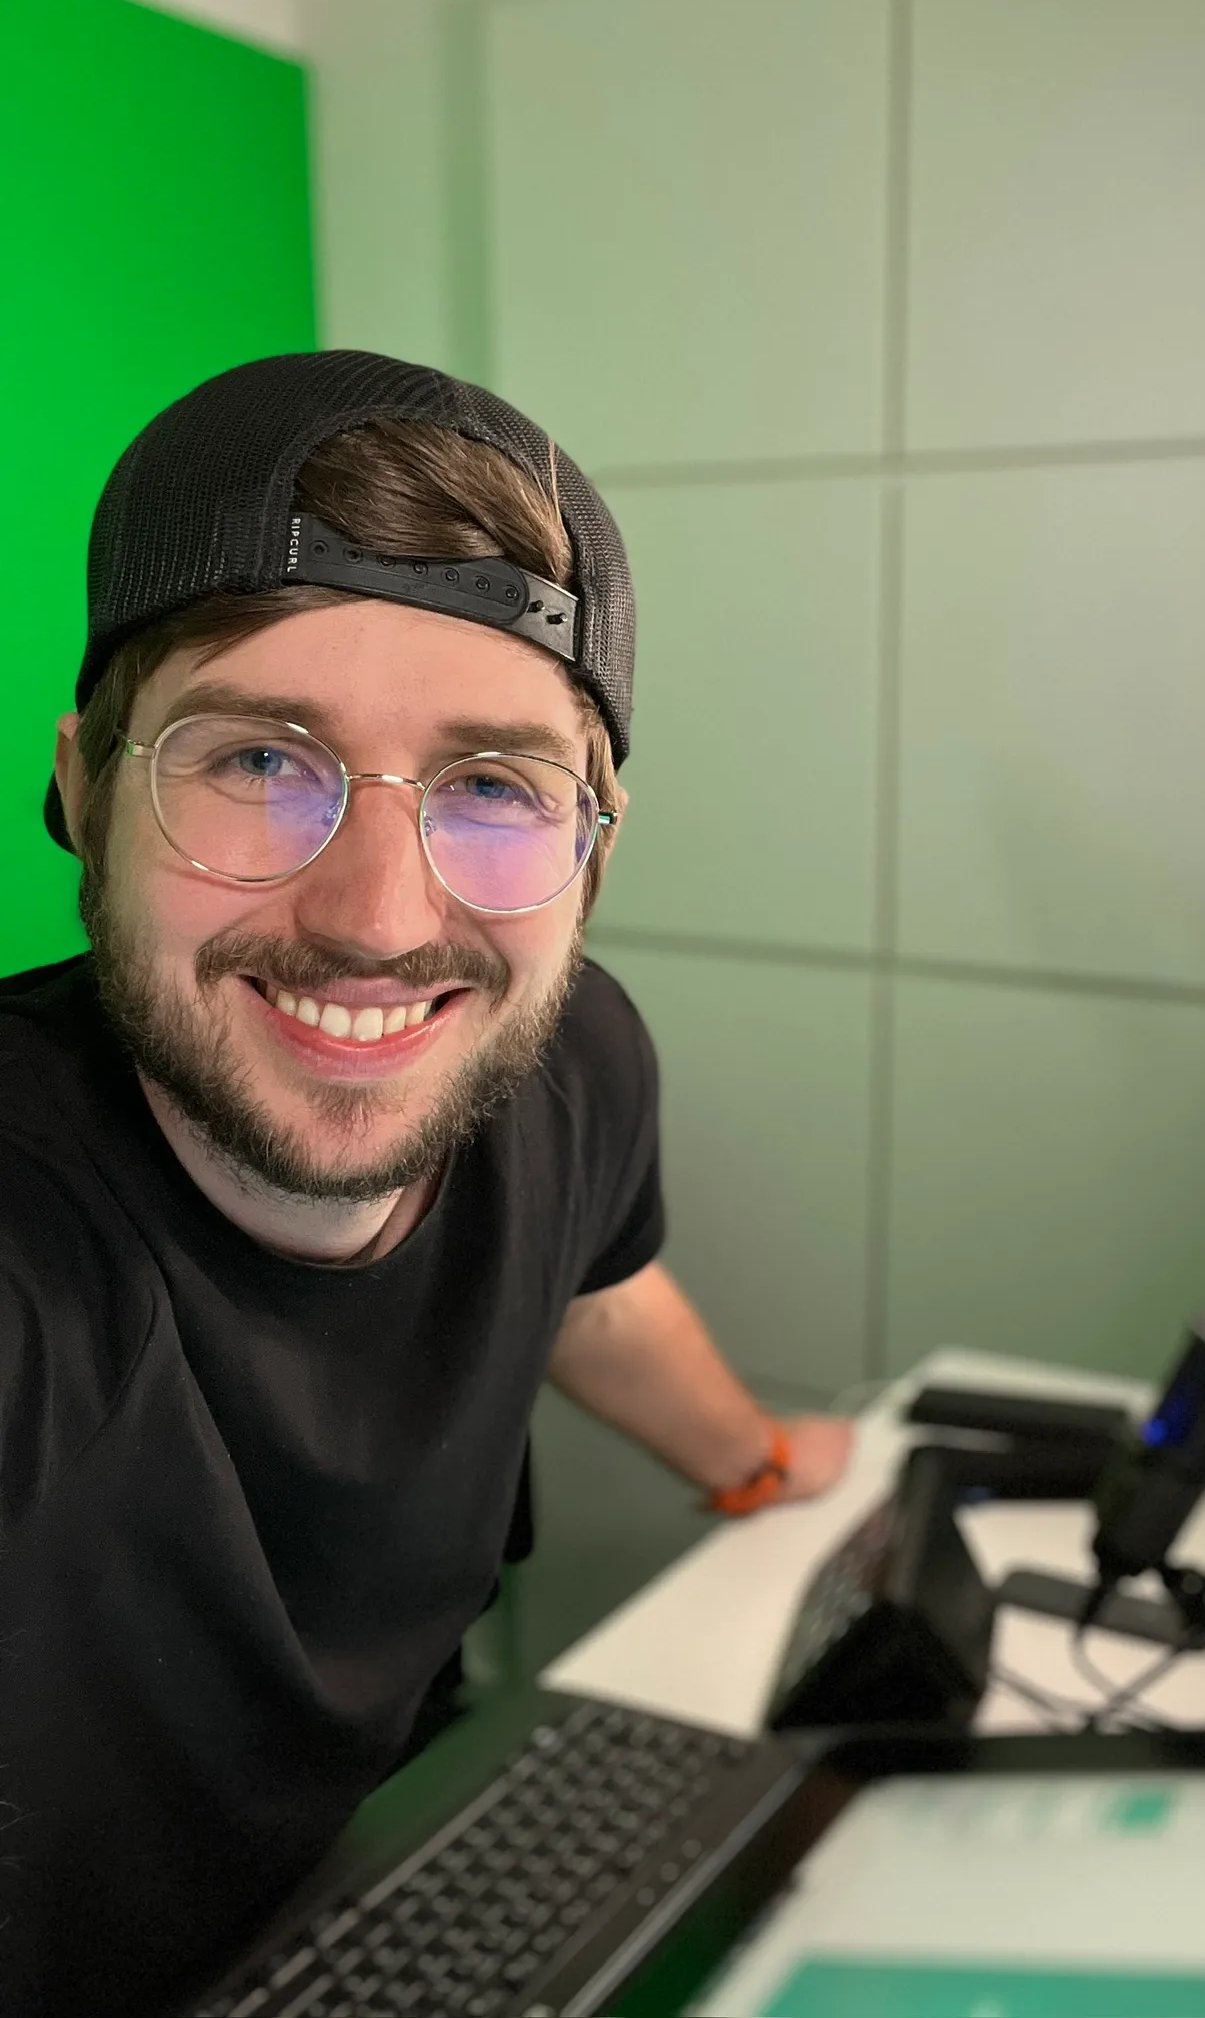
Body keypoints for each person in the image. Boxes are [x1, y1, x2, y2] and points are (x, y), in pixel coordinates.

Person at [0, 351, 852, 2017]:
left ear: (595, 850)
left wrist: (761, 1467)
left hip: (392, 1889)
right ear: (85, 785)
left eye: (492, 789)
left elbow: (595, 1296)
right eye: (256, 759)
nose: (381, 918)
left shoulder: (574, 1059)